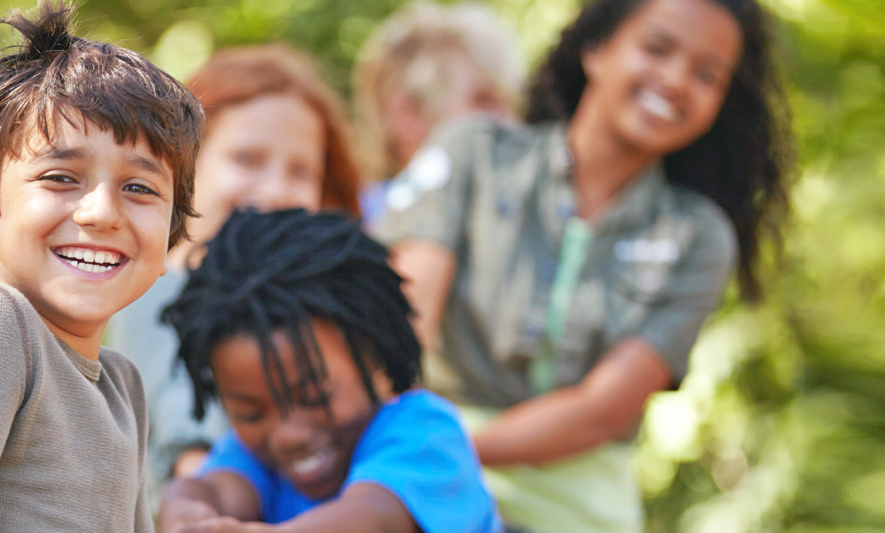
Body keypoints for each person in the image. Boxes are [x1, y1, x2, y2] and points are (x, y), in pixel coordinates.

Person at [377, 0, 789, 530]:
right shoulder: (473, 152)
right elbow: (404, 316)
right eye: (657, 48)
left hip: (572, 506)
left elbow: (601, 412)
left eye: (707, 74)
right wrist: (415, 443)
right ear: (596, 49)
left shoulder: (698, 238)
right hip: (423, 473)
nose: (676, 80)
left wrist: (452, 445)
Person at [0, 1, 204, 531]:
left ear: (170, 238)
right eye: (59, 178)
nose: (101, 214)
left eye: (139, 188)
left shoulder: (123, 386)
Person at [107, 44, 364, 493]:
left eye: (301, 171)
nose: (276, 190)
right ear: (183, 163)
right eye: (247, 159)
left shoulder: (331, 304)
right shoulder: (153, 289)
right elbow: (187, 445)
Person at [155, 209, 502, 533]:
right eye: (251, 413)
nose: (289, 435)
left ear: (377, 360)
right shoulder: (252, 458)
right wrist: (187, 511)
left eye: (314, 396)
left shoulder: (426, 433)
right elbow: (209, 489)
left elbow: (373, 517)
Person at [350, 2, 524, 228]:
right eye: (483, 101)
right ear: (410, 113)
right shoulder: (358, 227)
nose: (511, 123)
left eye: (510, 104)